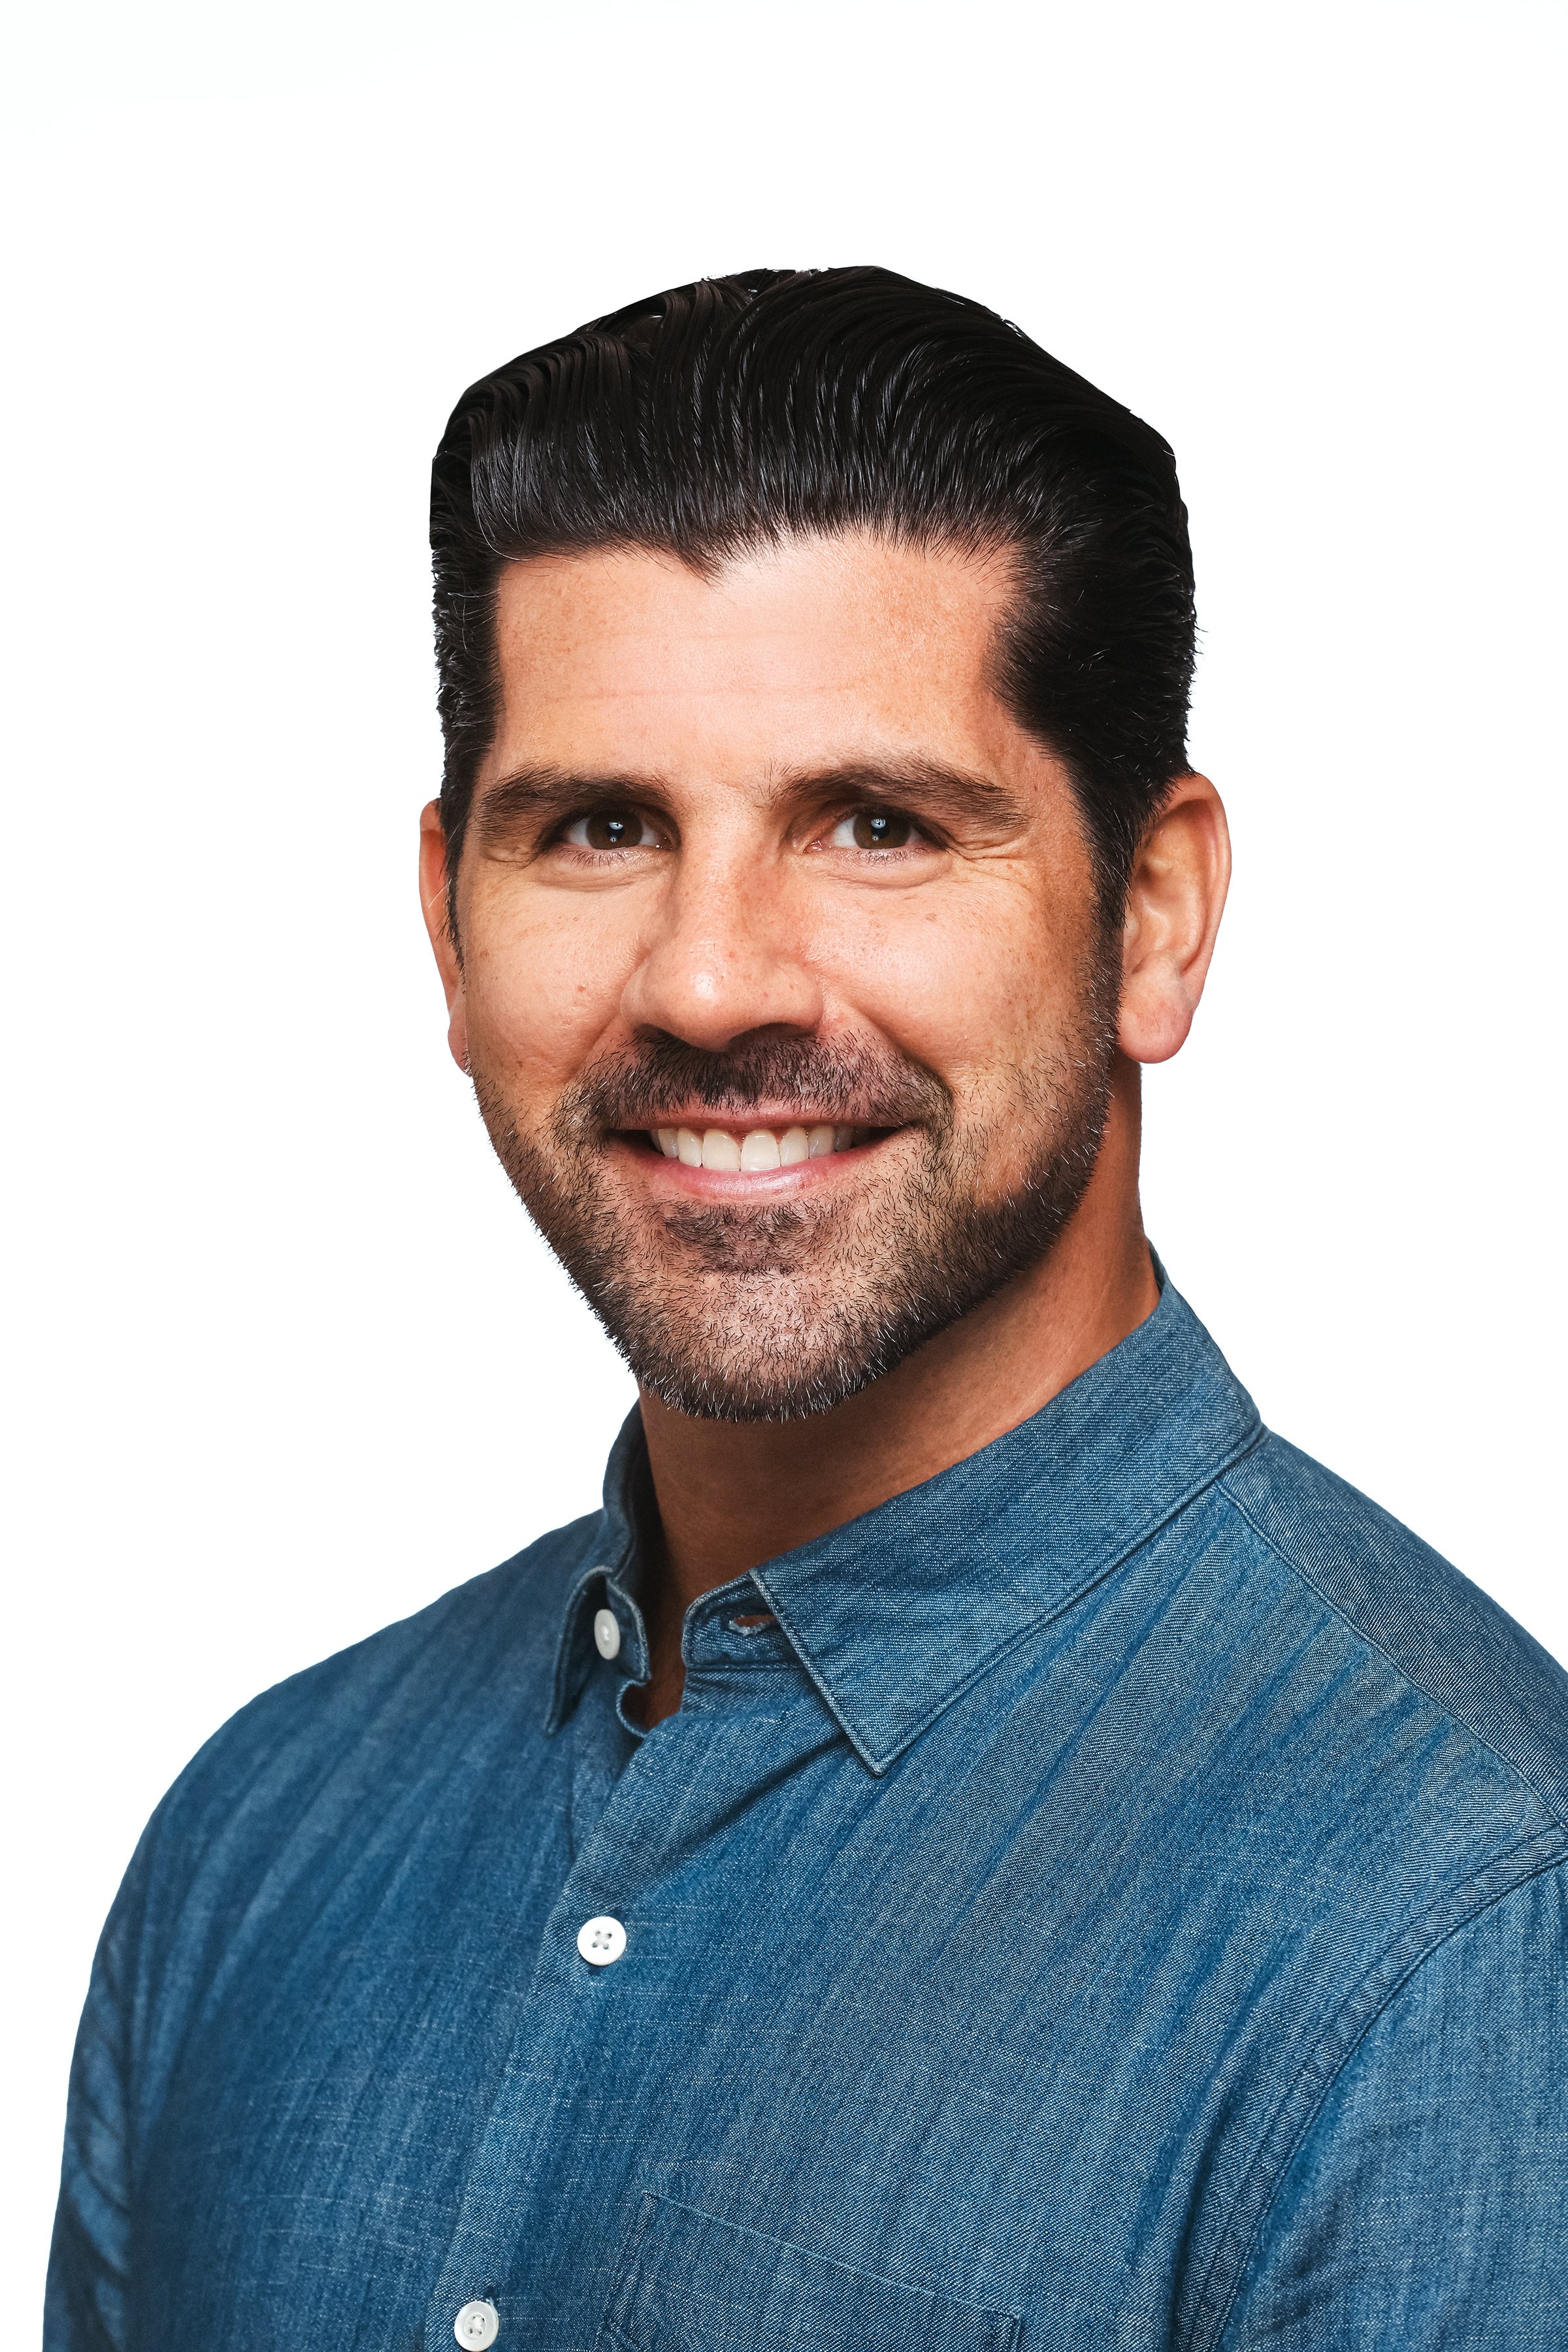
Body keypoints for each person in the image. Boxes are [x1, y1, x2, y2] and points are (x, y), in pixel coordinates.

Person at [48, 268, 1568, 2350]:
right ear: (446, 922)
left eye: (877, 827)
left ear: (1154, 912)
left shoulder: (1462, 1933)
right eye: (594, 830)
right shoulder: (258, 1847)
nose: (707, 980)